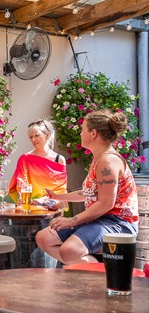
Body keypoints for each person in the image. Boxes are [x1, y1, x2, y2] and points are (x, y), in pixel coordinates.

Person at [35, 110, 139, 265]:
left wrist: (72, 221)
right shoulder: (98, 157)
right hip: (99, 219)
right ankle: (92, 270)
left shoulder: (108, 161)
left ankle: (99, 275)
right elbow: (89, 193)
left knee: (69, 250)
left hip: (118, 223)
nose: (80, 133)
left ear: (93, 133)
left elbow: (106, 203)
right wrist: (57, 196)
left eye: (83, 129)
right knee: (44, 238)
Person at [8, 119, 67, 205]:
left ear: (47, 135)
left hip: (52, 207)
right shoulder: (25, 159)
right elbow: (20, 185)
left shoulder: (59, 159)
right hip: (30, 207)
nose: (33, 139)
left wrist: (43, 200)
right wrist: (21, 197)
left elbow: (61, 190)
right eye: (31, 137)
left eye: (37, 135)